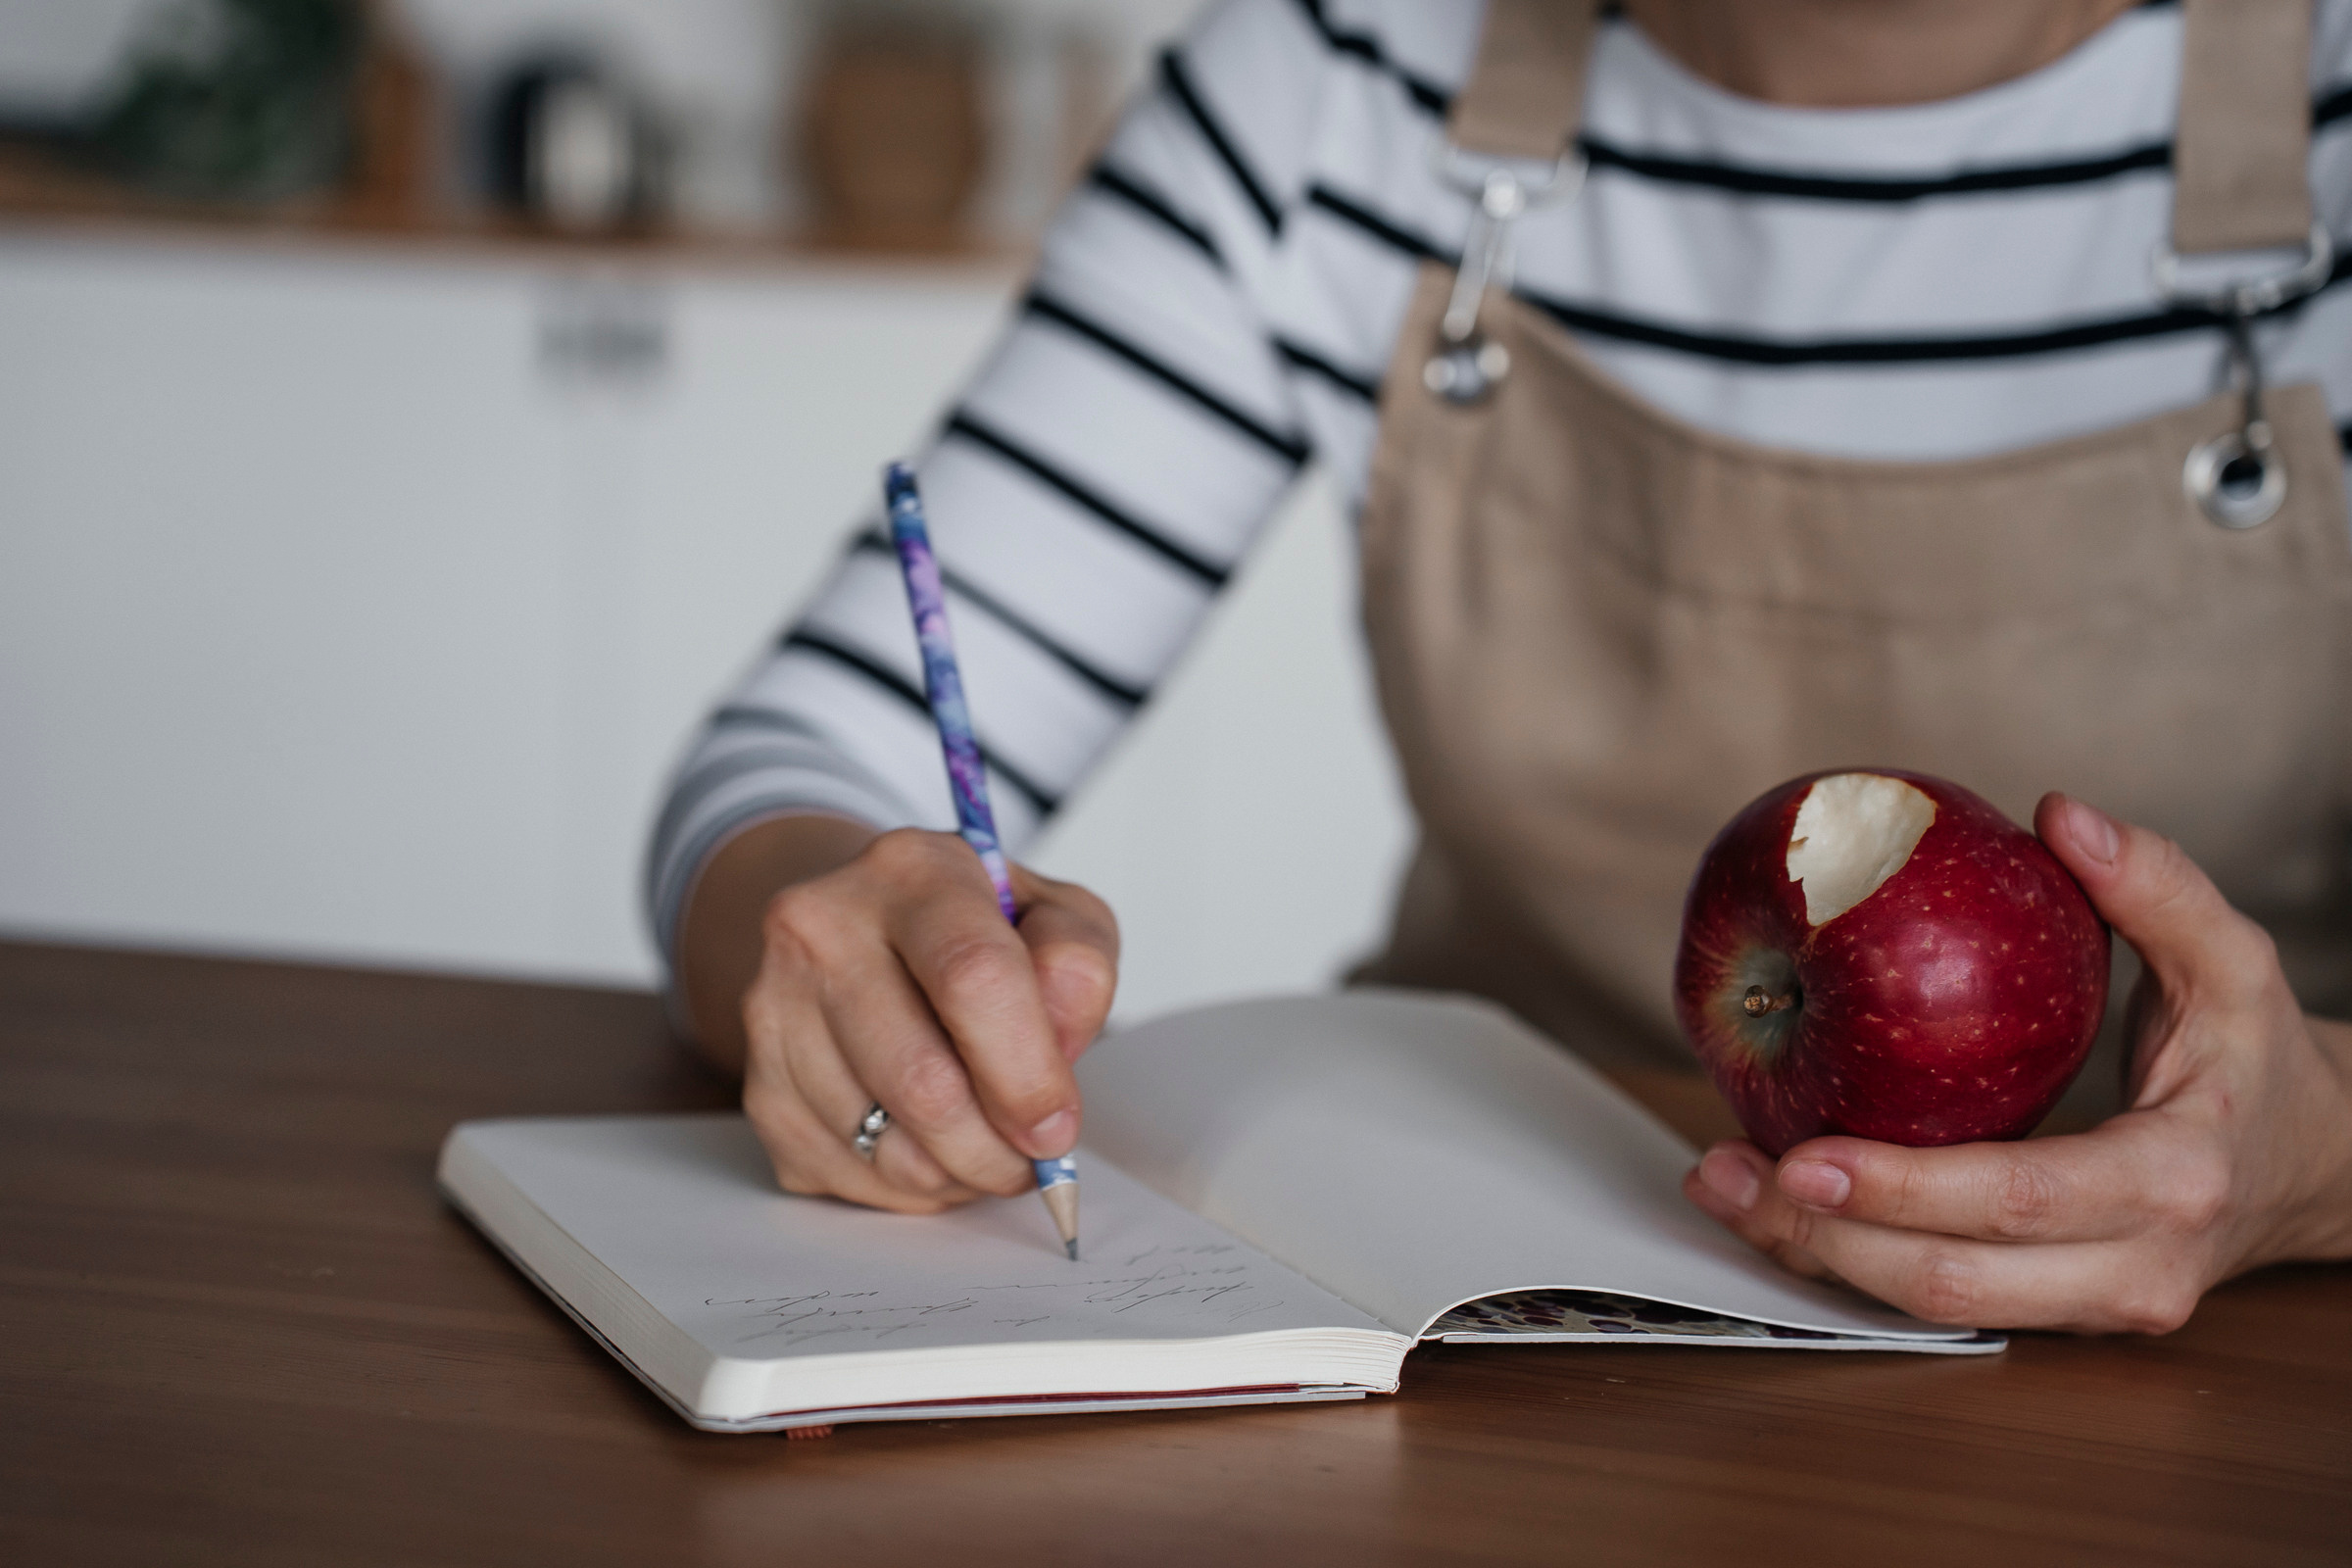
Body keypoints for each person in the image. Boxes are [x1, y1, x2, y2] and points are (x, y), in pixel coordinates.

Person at [647, 0, 2352, 1334]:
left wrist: (2320, 1158)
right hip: (1481, 1310)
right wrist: (850, 967)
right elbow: (802, 761)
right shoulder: (1341, 78)